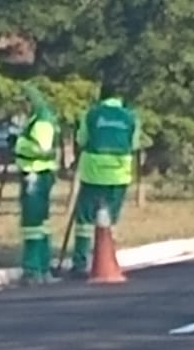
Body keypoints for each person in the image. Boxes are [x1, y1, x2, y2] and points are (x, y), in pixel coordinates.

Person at [70, 80, 141, 278]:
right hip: (118, 174)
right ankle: (109, 258)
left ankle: (80, 261)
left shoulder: (91, 114)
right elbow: (134, 145)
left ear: (101, 96)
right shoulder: (131, 117)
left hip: (93, 172)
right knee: (112, 218)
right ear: (120, 98)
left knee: (85, 219)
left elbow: (82, 140)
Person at [11, 83, 61, 284]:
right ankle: (41, 268)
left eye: (23, 103)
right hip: (36, 175)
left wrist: (18, 145)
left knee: (32, 224)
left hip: (35, 176)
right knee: (40, 224)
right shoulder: (36, 120)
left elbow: (42, 150)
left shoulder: (41, 122)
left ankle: (33, 269)